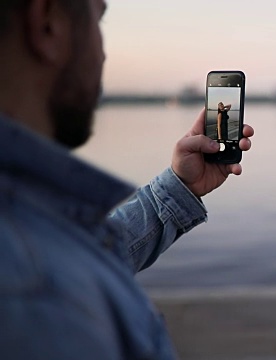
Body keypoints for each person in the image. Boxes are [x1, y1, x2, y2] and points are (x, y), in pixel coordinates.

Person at [0, 0, 254, 358]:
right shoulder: (35, 298)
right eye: (98, 18)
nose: (103, 55)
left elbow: (82, 259)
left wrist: (178, 188)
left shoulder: (30, 227)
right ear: (47, 23)